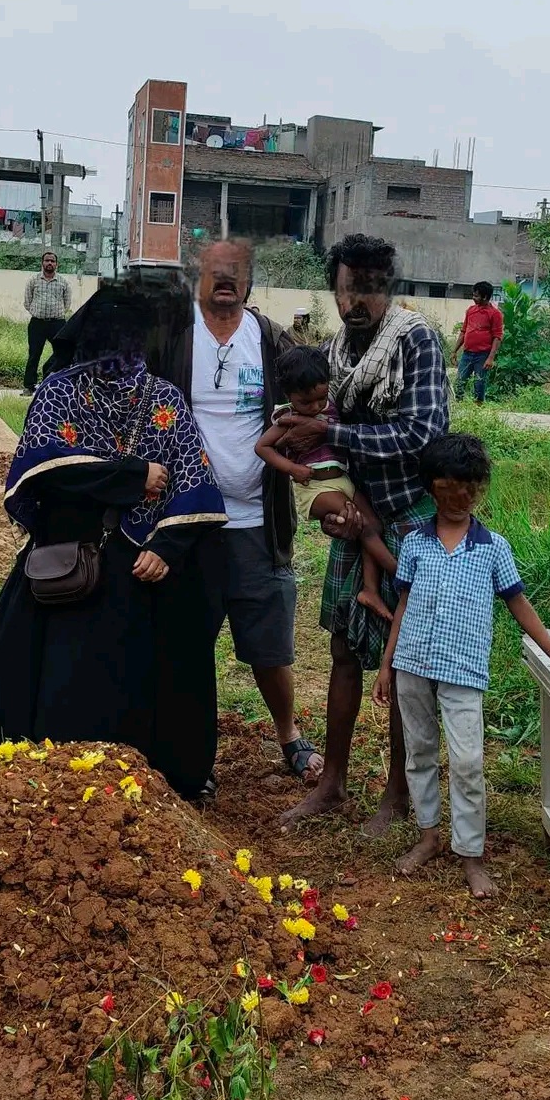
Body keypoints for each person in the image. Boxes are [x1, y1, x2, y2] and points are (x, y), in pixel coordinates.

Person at [0, 276, 227, 800]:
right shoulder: (59, 392)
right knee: (54, 681)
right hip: (69, 566)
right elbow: (42, 467)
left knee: (152, 676)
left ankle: (153, 781)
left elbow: (194, 480)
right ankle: (42, 781)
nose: (120, 350)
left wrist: (166, 548)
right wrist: (131, 476)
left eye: (129, 338)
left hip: (143, 571)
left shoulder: (164, 397)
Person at [278, 233, 450, 827]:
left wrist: (335, 441)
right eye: (350, 289)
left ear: (389, 289)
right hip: (358, 523)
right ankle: (332, 782)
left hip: (412, 520)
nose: (360, 303)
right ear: (336, 290)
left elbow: (424, 436)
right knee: (344, 652)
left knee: (406, 663)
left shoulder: (416, 340)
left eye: (372, 290)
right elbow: (314, 437)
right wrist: (335, 509)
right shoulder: (333, 353)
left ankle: (398, 792)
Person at [372, 433, 550, 895]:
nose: (463, 498)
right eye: (452, 489)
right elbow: (404, 605)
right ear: (433, 487)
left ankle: (470, 853)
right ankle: (429, 835)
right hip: (412, 663)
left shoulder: (493, 547)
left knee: (468, 762)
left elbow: (518, 603)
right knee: (420, 753)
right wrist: (387, 664)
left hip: (464, 670)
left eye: (471, 488)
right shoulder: (414, 543)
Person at [159, 238, 322, 785]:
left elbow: (313, 398)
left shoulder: (271, 338)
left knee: (269, 644)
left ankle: (289, 734)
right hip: (188, 521)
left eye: (236, 273)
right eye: (215, 272)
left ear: (249, 282)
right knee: (186, 643)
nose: (225, 281)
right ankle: (189, 750)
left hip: (258, 519)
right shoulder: (174, 335)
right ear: (196, 277)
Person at [256, 345, 398, 620]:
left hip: (342, 479)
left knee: (374, 524)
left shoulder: (331, 408)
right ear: (289, 396)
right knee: (364, 526)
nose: (315, 407)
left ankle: (370, 590)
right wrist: (292, 468)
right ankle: (401, 574)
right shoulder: (286, 418)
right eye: (305, 403)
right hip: (315, 488)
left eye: (320, 399)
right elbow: (262, 447)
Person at [22, 252, 73, 394]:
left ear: (56, 264)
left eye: (52, 261)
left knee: (62, 352)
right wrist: (36, 312)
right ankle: (29, 386)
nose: (49, 263)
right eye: (47, 260)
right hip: (37, 323)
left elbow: (67, 303)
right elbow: (27, 301)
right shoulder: (33, 281)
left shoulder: (63, 282)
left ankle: (51, 378)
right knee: (34, 354)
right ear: (42, 263)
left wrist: (57, 313)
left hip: (57, 323)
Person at [453, 282, 503, 404]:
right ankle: (457, 404)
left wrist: (490, 358)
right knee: (460, 381)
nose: (473, 298)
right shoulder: (470, 311)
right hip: (467, 354)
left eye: (476, 296)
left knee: (479, 383)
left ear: (485, 297)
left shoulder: (495, 314)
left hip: (483, 355)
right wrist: (454, 351)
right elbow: (463, 332)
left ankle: (478, 408)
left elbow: (497, 337)